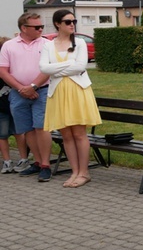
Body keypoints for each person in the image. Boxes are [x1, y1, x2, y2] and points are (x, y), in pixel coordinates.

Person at [39, 10, 101, 188]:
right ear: (57, 24)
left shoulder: (80, 42)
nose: (72, 24)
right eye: (67, 22)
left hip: (77, 90)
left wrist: (56, 69)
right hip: (58, 92)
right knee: (66, 135)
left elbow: (81, 66)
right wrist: (69, 65)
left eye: (73, 21)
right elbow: (43, 68)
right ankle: (74, 171)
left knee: (79, 134)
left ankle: (84, 172)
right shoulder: (48, 45)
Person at [0, 12, 53, 182]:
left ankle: (46, 165)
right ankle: (37, 162)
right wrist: (21, 88)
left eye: (42, 26)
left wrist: (33, 86)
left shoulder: (47, 44)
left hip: (42, 90)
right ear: (24, 28)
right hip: (18, 92)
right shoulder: (9, 46)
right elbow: (2, 70)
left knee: (41, 127)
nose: (40, 29)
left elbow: (49, 69)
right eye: (37, 27)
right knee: (27, 128)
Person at [0, 37, 28, 174]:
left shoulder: (16, 65)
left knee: (18, 131)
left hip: (15, 103)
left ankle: (23, 159)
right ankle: (7, 161)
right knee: (2, 134)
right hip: (1, 106)